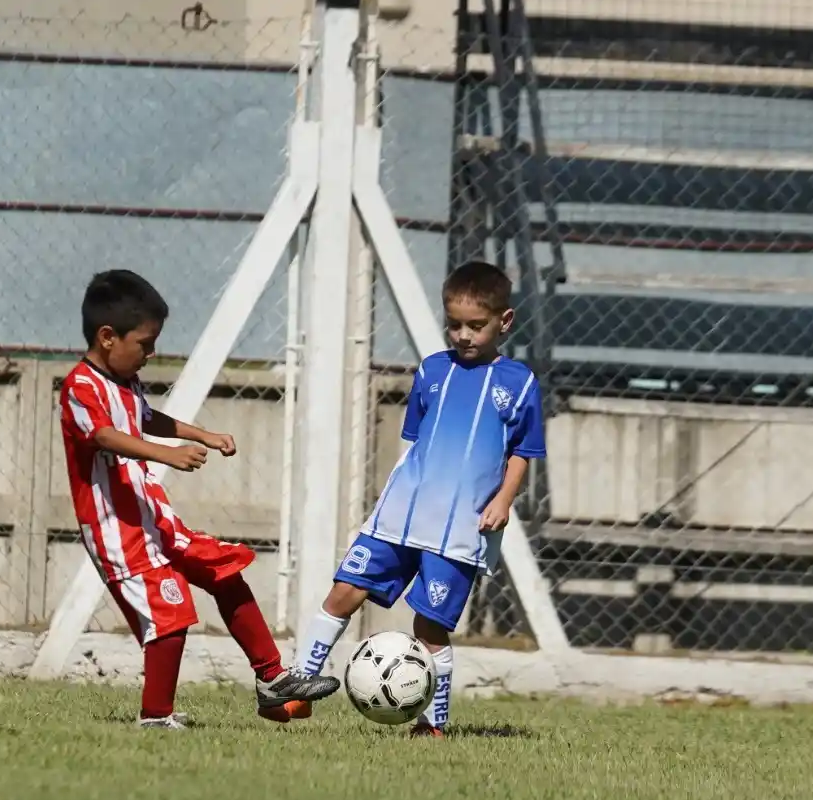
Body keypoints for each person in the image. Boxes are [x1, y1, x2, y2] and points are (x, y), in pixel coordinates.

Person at [60, 270, 341, 729]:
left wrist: (203, 435)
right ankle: (156, 718)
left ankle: (272, 681)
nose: (151, 354)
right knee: (170, 615)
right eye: (146, 344)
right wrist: (167, 454)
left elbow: (148, 419)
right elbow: (105, 435)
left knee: (222, 570)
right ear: (108, 336)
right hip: (118, 530)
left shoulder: (126, 383)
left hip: (153, 518)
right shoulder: (79, 388)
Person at [289, 261, 548, 737]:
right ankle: (298, 688)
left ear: (503, 322)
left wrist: (504, 500)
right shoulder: (432, 370)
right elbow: (414, 443)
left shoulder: (519, 383)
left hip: (459, 529)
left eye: (477, 325)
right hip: (399, 518)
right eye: (454, 324)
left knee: (429, 626)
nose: (463, 335)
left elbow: (523, 453)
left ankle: (433, 723)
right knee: (344, 591)